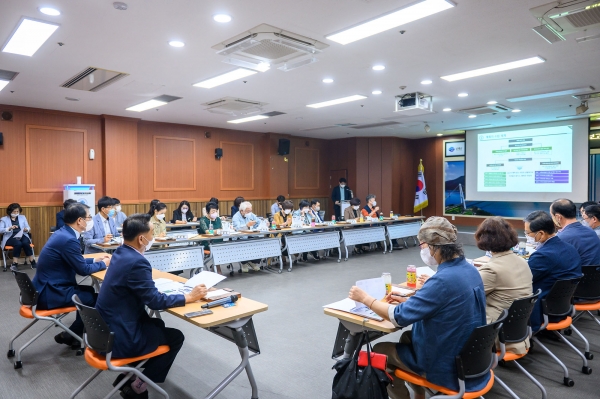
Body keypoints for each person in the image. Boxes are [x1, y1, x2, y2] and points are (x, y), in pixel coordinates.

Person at [349, 217, 488, 399]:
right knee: (408, 337)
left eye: (422, 245)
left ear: (433, 247)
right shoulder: (469, 270)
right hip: (470, 355)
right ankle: (419, 395)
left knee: (379, 350)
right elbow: (446, 302)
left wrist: (366, 299)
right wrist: (417, 299)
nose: (422, 250)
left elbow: (398, 317)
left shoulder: (442, 281)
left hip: (446, 364)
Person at [96, 214, 207, 399]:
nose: (153, 237)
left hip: (104, 330)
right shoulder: (137, 262)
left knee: (158, 325)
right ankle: (138, 384)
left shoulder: (120, 253)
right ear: (141, 238)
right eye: (152, 233)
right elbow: (155, 301)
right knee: (176, 337)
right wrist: (188, 297)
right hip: (120, 336)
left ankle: (129, 374)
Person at [32, 203, 109, 347]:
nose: (90, 220)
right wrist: (104, 264)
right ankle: (76, 335)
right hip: (51, 292)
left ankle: (72, 335)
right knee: (95, 299)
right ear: (79, 220)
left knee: (89, 291)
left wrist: (95, 259)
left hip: (45, 287)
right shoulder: (68, 239)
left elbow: (73, 259)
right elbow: (82, 270)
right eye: (89, 217)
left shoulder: (64, 233)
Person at [474, 217, 533, 354]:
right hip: (517, 331)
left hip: (493, 334)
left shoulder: (492, 269)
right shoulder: (522, 261)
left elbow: (468, 297)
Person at [524, 210, 582, 332]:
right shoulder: (569, 248)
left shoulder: (543, 256)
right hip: (562, 306)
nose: (526, 236)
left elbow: (523, 281)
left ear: (541, 233)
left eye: (528, 233)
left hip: (542, 309)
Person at [551, 199, 600, 266]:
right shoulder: (591, 232)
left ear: (558, 217)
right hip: (593, 275)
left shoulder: (561, 237)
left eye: (552, 216)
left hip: (573, 275)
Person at [1, 203, 36, 271]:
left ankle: (32, 261)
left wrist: (26, 229)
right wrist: (9, 228)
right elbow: (0, 230)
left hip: (22, 234)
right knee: (18, 243)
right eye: (14, 211)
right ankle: (15, 263)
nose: (16, 213)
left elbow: (28, 227)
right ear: (10, 211)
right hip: (10, 236)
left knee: (26, 243)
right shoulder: (4, 219)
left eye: (17, 211)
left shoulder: (22, 217)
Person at [231, 201, 261, 272]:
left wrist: (255, 226)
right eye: (248, 211)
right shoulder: (236, 217)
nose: (249, 213)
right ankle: (244, 263)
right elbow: (237, 228)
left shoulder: (250, 214)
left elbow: (258, 221)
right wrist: (247, 225)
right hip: (239, 238)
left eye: (250, 211)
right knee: (244, 244)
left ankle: (252, 262)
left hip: (249, 235)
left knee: (258, 242)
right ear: (242, 211)